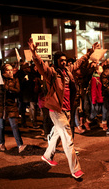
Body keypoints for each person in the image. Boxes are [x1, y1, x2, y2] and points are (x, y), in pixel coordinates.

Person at [28, 38, 96, 179]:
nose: (64, 62)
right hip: (56, 111)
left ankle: (47, 156)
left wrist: (89, 53)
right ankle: (75, 170)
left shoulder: (67, 71)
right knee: (68, 139)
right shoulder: (52, 73)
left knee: (57, 135)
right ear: (56, 61)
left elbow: (78, 63)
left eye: (65, 60)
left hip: (67, 110)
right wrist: (34, 53)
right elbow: (41, 65)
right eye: (61, 60)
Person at [0, 64, 26, 153]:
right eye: (8, 70)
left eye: (11, 70)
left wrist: (7, 87)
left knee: (14, 125)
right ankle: (1, 143)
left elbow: (17, 90)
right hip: (0, 105)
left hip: (11, 105)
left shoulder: (15, 79)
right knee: (1, 126)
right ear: (4, 71)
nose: (10, 71)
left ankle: (20, 145)